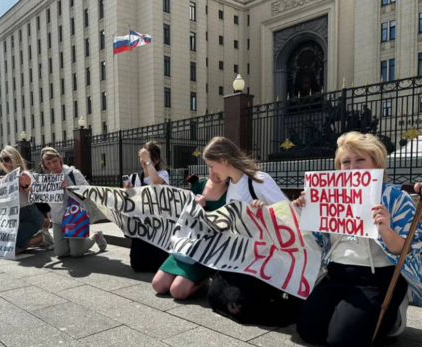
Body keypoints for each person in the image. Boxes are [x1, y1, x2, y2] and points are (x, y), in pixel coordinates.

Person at [294, 132, 422, 346]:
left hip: (377, 279)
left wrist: (386, 230)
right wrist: (305, 210)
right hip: (336, 274)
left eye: (360, 159)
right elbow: (317, 240)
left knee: (342, 341)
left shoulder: (396, 197)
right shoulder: (329, 194)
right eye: (346, 161)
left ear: (377, 163)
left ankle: (392, 313)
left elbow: (409, 249)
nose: (353, 167)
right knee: (308, 331)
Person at [202, 136, 301, 326]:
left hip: (266, 257)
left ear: (224, 160)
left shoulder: (258, 181)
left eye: (212, 165)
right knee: (214, 297)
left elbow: (288, 215)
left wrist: (264, 213)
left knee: (236, 305)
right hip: (243, 256)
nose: (211, 171)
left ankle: (287, 304)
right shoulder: (231, 184)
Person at [152, 171, 228, 299]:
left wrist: (204, 210)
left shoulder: (232, 192)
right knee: (158, 285)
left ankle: (206, 276)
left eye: (219, 170)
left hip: (206, 251)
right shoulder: (199, 185)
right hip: (186, 246)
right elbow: (185, 216)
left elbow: (223, 227)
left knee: (178, 292)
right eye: (211, 167)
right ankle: (189, 278)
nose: (216, 175)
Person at [41, 147, 107, 257]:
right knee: (61, 253)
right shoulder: (47, 180)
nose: (52, 165)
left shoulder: (73, 173)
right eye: (48, 163)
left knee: (77, 253)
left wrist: (69, 187)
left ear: (60, 159)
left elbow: (87, 191)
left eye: (54, 161)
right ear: (45, 165)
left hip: (75, 217)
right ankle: (70, 241)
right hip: (58, 220)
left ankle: (96, 235)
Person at [125, 141, 170, 272]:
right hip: (140, 225)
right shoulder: (134, 177)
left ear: (155, 160)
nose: (143, 161)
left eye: (147, 158)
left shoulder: (162, 174)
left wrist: (148, 161)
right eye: (142, 158)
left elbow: (155, 182)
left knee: (156, 265)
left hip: (157, 224)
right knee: (137, 265)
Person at [0, 146, 48, 255]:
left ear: (14, 158)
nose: (4, 163)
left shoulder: (24, 175)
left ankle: (42, 237)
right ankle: (33, 239)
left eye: (6, 159)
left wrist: (24, 185)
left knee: (12, 250)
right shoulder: (6, 178)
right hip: (16, 217)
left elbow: (36, 198)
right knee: (6, 245)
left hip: (31, 215)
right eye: (1, 160)